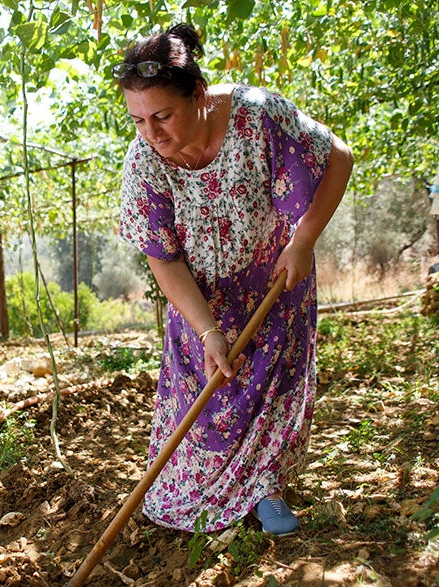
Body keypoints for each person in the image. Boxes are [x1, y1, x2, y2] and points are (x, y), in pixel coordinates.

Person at [115, 24, 353, 535]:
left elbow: (339, 157)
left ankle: (266, 489)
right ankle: (207, 494)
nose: (152, 134)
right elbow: (163, 257)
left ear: (199, 95)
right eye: (138, 121)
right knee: (205, 405)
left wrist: (304, 241)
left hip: (273, 283)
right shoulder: (144, 163)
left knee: (270, 394)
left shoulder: (258, 116)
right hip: (200, 302)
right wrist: (207, 331)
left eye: (163, 116)